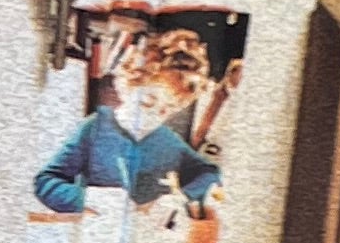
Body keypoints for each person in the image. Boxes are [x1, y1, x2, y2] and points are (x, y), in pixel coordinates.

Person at [32, 21, 225, 217]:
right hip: (98, 227)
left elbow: (210, 173)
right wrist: (88, 197)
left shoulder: (167, 141)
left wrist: (179, 197)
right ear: (125, 87)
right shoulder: (95, 128)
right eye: (148, 102)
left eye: (169, 109)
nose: (156, 115)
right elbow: (46, 182)